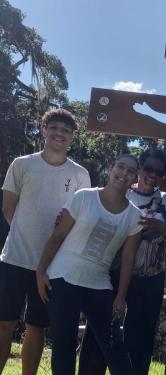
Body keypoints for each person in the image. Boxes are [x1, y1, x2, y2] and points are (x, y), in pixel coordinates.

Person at [0, 109, 90, 375]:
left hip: (51, 266)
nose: (59, 133)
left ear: (72, 137)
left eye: (65, 130)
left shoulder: (79, 175)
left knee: (36, 326)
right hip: (14, 258)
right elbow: (8, 209)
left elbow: (80, 218)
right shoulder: (22, 164)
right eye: (54, 127)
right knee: (4, 324)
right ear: (44, 130)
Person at [35, 154, 143, 375]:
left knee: (114, 346)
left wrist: (120, 297)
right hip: (63, 277)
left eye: (130, 171)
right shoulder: (84, 197)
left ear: (135, 178)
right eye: (120, 166)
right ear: (111, 168)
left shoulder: (134, 216)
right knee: (64, 346)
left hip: (99, 284)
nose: (123, 173)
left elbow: (128, 259)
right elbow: (58, 235)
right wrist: (40, 271)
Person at [78, 149, 166, 375]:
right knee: (100, 331)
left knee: (142, 336)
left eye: (159, 171)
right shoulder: (122, 194)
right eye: (148, 168)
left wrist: (161, 227)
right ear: (139, 169)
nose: (152, 174)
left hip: (150, 278)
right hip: (112, 273)